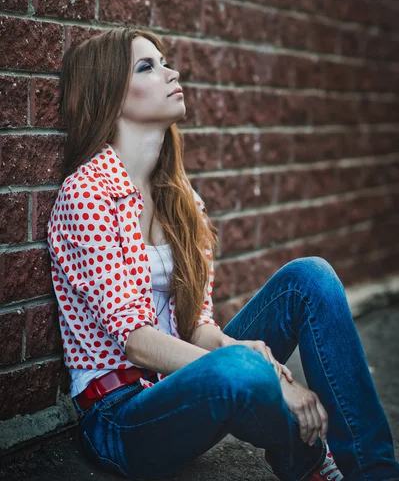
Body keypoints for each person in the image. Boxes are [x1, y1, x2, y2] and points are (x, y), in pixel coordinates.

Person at [47, 26, 399, 481]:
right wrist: (262, 371)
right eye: (147, 66)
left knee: (311, 278)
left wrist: (241, 350)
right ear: (110, 96)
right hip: (121, 417)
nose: (171, 72)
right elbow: (137, 342)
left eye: (164, 61)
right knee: (242, 368)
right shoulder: (87, 194)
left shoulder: (182, 199)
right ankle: (307, 462)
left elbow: (197, 328)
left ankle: (376, 472)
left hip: (186, 384)